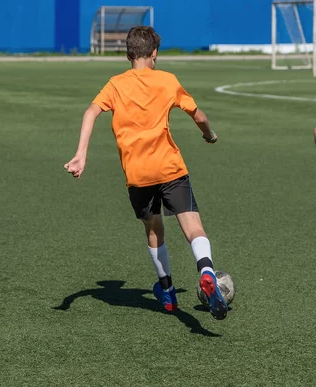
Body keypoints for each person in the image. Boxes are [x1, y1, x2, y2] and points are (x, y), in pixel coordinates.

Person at [64, 26, 228, 320]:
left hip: (138, 175)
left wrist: (81, 155)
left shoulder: (115, 85)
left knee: (154, 230)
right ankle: (206, 270)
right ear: (154, 54)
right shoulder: (167, 80)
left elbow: (90, 112)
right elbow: (199, 116)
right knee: (193, 227)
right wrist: (209, 134)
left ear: (128, 54)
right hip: (170, 168)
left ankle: (166, 291)